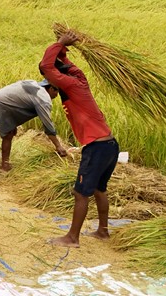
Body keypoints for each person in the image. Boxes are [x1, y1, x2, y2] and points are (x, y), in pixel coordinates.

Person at [41, 31, 117, 248]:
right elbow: (65, 66)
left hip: (97, 147)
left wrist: (59, 43)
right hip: (109, 145)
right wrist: (62, 52)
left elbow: (47, 67)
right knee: (99, 189)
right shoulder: (79, 80)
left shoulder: (72, 86)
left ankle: (72, 238)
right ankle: (103, 231)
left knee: (80, 192)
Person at [0, 79, 68, 183]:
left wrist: (13, 122)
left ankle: (5, 165)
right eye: (57, 91)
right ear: (51, 88)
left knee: (9, 134)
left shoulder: (31, 83)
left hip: (3, 109)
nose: (56, 95)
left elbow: (15, 100)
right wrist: (58, 146)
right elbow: (48, 126)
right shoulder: (43, 99)